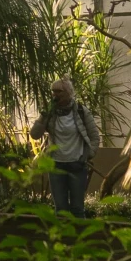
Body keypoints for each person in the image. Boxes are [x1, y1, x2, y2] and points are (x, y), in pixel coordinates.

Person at [30, 77, 101, 215]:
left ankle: (79, 235)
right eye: (53, 92)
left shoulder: (81, 111)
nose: (55, 95)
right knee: (61, 208)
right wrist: (43, 116)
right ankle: (62, 236)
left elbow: (94, 136)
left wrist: (88, 154)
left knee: (77, 208)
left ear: (68, 93)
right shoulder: (50, 114)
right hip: (57, 165)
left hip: (77, 165)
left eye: (59, 91)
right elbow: (34, 135)